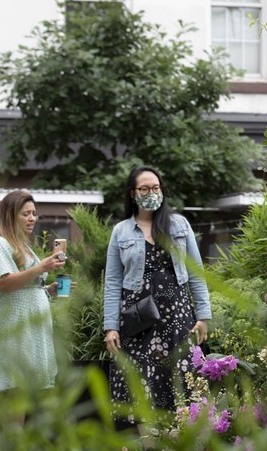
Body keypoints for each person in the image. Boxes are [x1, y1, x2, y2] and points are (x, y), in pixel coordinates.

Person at [103, 165, 212, 437]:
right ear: (133, 193)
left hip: (177, 315)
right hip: (138, 318)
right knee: (142, 383)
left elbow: (197, 273)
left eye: (156, 188)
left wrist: (203, 316)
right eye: (144, 189)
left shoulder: (179, 225)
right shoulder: (121, 231)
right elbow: (113, 282)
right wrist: (111, 326)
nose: (151, 193)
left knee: (182, 379)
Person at [0, 190, 66, 420]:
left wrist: (48, 290)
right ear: (10, 215)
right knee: (15, 393)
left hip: (32, 328)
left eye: (34, 213)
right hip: (15, 327)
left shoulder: (24, 246)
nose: (32, 218)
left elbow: (26, 286)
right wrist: (41, 267)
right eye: (25, 213)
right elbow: (5, 283)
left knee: (25, 396)